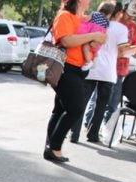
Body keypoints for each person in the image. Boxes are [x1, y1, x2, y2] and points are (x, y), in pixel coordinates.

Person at [44, 0, 107, 162]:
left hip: (78, 69)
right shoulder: (65, 16)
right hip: (65, 68)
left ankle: (51, 147)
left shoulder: (82, 19)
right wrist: (94, 35)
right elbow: (66, 41)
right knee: (76, 108)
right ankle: (55, 147)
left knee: (60, 109)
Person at [71, 1, 128, 144]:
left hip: (90, 66)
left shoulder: (94, 21)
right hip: (108, 71)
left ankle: (74, 133)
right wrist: (135, 51)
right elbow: (122, 52)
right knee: (101, 105)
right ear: (118, 13)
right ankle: (93, 135)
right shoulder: (121, 29)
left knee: (82, 102)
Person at [108, 0, 136, 119]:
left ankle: (106, 128)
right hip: (107, 66)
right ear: (122, 11)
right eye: (129, 14)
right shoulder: (112, 22)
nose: (131, 17)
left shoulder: (133, 26)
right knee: (99, 99)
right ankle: (90, 125)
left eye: (133, 15)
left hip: (121, 70)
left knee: (113, 103)